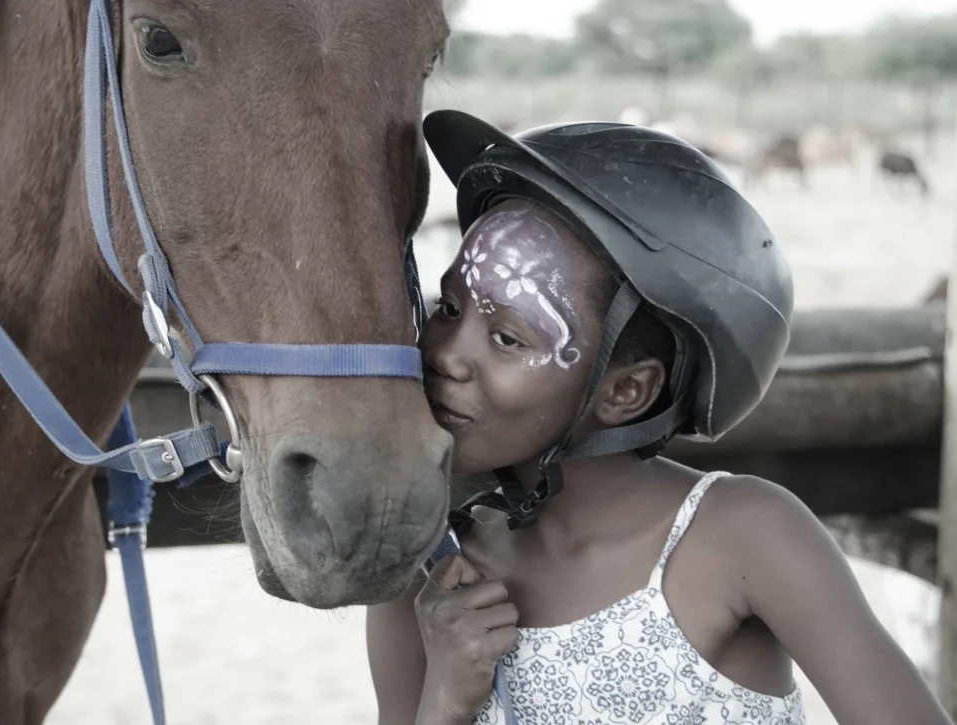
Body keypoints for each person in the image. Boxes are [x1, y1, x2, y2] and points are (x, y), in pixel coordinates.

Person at [366, 110, 952, 725]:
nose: (445, 355)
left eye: (509, 339)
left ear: (626, 392)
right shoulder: (424, 573)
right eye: (451, 306)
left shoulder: (745, 536)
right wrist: (446, 700)